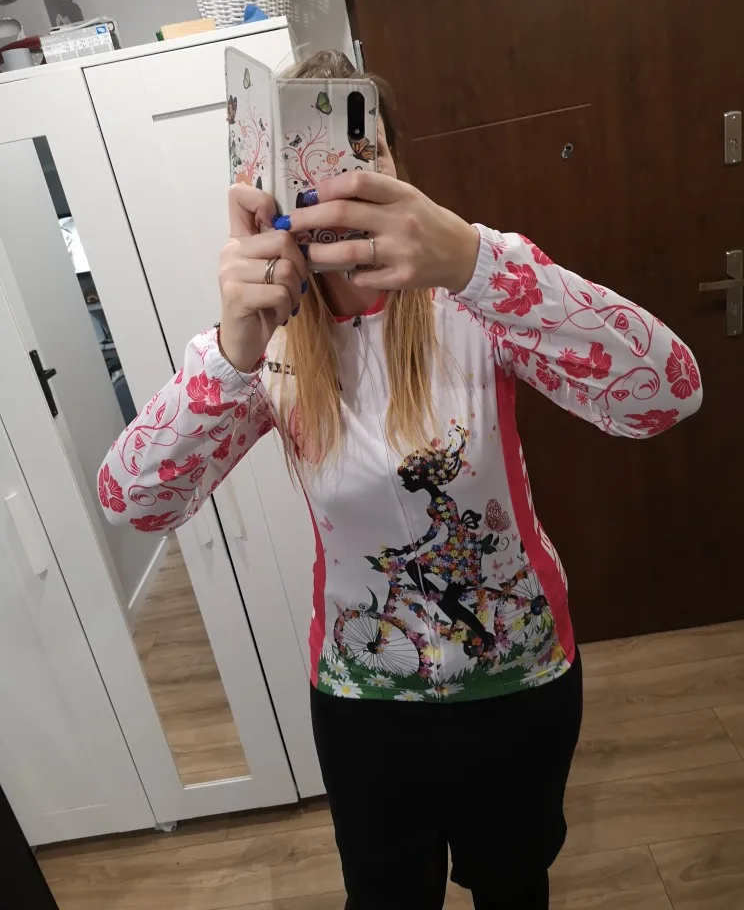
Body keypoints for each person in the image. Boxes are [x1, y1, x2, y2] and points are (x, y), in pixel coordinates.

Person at [98, 50, 702, 909]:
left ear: (393, 164)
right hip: (364, 696)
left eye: (359, 152)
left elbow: (666, 395)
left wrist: (480, 262)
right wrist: (232, 352)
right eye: (303, 166)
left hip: (519, 680)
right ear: (263, 185)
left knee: (513, 886)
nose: (333, 187)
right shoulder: (265, 346)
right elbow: (133, 503)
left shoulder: (475, 297)